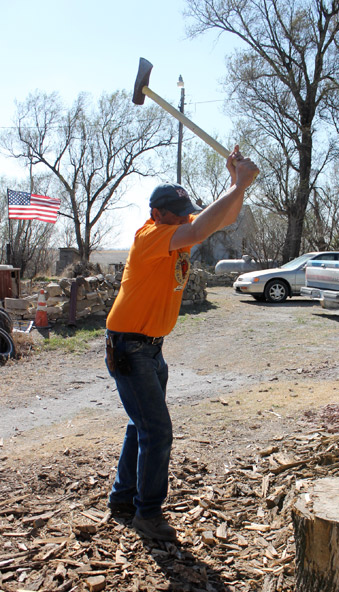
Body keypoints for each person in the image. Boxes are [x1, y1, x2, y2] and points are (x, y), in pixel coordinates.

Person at [105, 146, 259, 542]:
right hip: (130, 347)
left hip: (151, 349)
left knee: (141, 426)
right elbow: (199, 229)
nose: (185, 220)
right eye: (177, 215)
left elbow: (219, 219)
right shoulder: (152, 236)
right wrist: (239, 183)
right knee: (157, 431)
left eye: (187, 213)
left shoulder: (177, 229)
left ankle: (123, 498)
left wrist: (234, 184)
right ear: (157, 214)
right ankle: (148, 514)